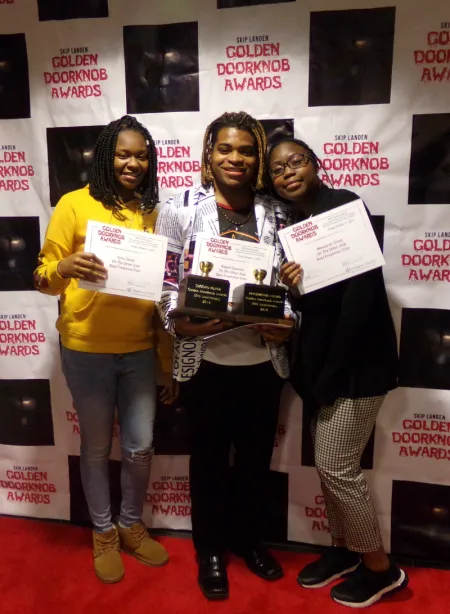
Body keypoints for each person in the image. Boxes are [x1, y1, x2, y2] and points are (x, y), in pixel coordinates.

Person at [156, 112, 294, 601]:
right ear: (208, 153)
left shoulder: (275, 211)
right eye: (225, 149)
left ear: (258, 157)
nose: (235, 159)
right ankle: (210, 550)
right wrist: (180, 321)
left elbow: (293, 280)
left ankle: (250, 541)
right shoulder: (180, 207)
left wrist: (287, 324)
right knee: (209, 462)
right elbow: (166, 277)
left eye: (247, 151)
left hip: (262, 362)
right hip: (205, 360)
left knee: (256, 460)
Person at [34, 115, 178, 584]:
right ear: (104, 156)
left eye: (141, 155)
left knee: (139, 447)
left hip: (138, 349)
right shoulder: (74, 204)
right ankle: (103, 531)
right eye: (122, 154)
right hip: (87, 348)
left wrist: (168, 363)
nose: (132, 163)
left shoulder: (156, 213)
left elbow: (164, 295)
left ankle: (131, 524)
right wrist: (64, 267)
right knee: (96, 448)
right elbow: (40, 277)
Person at [267, 137, 408, 608]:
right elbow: (320, 303)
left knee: (337, 466)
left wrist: (331, 372)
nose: (288, 172)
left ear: (316, 164)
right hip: (324, 368)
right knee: (331, 469)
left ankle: (381, 568)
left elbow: (360, 297)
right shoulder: (294, 227)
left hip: (359, 366)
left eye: (297, 161)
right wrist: (297, 286)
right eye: (278, 169)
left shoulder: (345, 206)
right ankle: (344, 550)